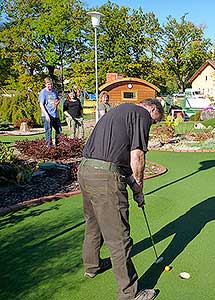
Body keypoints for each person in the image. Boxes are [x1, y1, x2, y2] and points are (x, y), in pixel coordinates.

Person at [78, 98, 164, 300]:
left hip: (85, 171)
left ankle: (92, 266)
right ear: (152, 109)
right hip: (105, 179)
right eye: (155, 121)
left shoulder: (119, 112)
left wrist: (133, 186)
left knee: (93, 223)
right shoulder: (141, 114)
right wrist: (140, 190)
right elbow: (137, 156)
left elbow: (119, 157)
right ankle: (129, 294)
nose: (151, 125)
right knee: (119, 237)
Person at [39, 77, 62, 147]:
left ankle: (58, 145)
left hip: (55, 115)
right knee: (49, 131)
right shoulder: (43, 92)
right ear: (45, 84)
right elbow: (41, 105)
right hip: (47, 115)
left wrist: (57, 103)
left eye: (51, 84)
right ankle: (49, 147)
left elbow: (57, 100)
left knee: (59, 130)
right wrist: (46, 115)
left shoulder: (54, 91)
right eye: (48, 84)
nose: (50, 86)